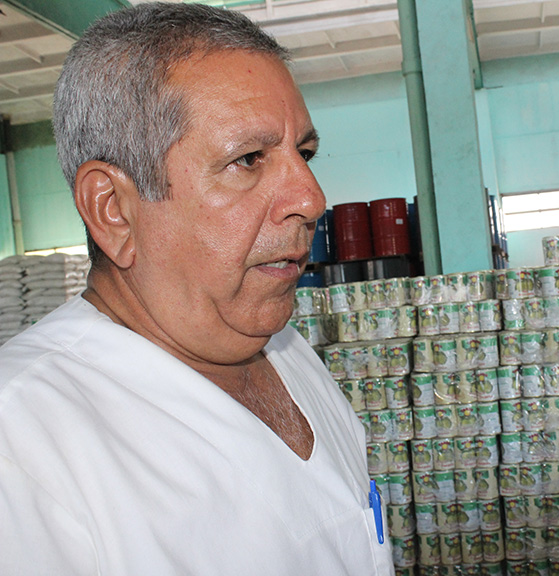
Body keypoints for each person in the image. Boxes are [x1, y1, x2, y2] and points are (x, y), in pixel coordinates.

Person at [0, 3, 394, 574]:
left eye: (303, 154)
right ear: (113, 211)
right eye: (248, 159)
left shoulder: (288, 355)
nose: (311, 198)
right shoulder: (26, 442)